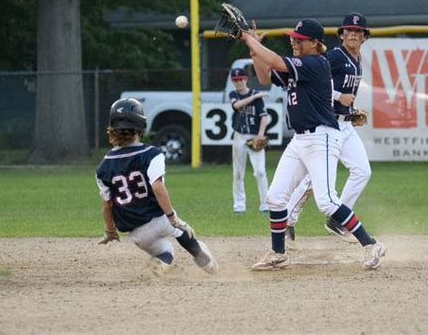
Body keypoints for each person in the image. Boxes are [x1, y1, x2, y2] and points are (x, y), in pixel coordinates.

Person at [241, 18, 386, 271]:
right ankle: (278, 253)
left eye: (299, 39)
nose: (293, 42)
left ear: (314, 43)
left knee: (327, 201)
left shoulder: (316, 63)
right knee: (275, 198)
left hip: (322, 138)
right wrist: (253, 49)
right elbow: (265, 76)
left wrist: (247, 38)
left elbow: (275, 61)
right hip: (300, 140)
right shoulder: (302, 63)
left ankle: (371, 244)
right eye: (293, 38)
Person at [95, 97, 219, 276]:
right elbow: (157, 187)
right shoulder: (152, 154)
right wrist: (173, 218)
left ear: (112, 128)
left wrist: (110, 231)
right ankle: (203, 259)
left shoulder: (103, 167)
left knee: (165, 251)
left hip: (137, 234)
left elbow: (107, 205)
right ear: (140, 125)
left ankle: (162, 262)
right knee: (181, 231)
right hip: (158, 220)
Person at [285, 13, 373, 246]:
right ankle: (287, 219)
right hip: (326, 125)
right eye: (349, 31)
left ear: (365, 37)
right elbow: (319, 80)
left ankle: (338, 220)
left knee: (362, 171)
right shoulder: (334, 56)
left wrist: (351, 110)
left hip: (344, 124)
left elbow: (343, 94)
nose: (353, 34)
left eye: (358, 32)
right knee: (314, 181)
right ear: (342, 35)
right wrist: (338, 97)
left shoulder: (356, 58)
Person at [229, 67, 270, 213]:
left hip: (254, 137)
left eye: (240, 79)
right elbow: (236, 105)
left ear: (246, 79)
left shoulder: (256, 97)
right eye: (235, 80)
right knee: (238, 173)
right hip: (239, 137)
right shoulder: (234, 94)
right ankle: (239, 206)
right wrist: (254, 97)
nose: (238, 82)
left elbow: (264, 117)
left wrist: (260, 134)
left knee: (260, 172)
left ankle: (265, 205)